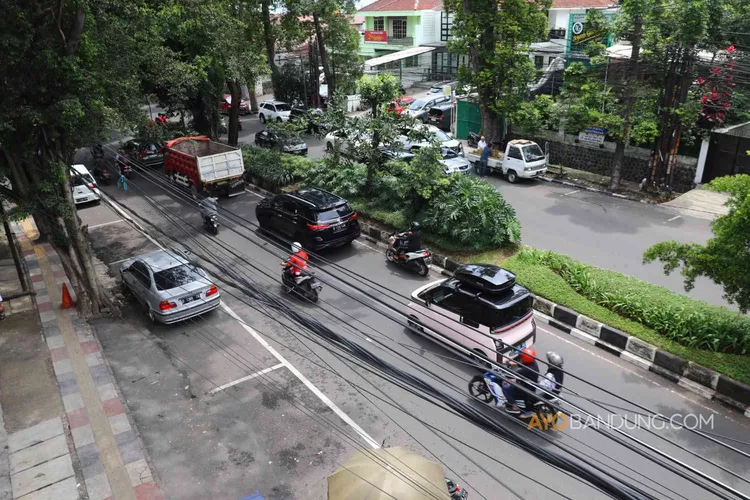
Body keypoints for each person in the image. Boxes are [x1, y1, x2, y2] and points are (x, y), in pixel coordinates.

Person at [501, 347, 539, 418]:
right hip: (531, 383)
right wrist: (514, 363)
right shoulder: (533, 363)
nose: (521, 358)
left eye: (522, 357)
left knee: (505, 388)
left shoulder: (525, 370)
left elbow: (514, 374)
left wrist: (506, 375)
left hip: (525, 387)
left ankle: (515, 407)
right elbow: (524, 364)